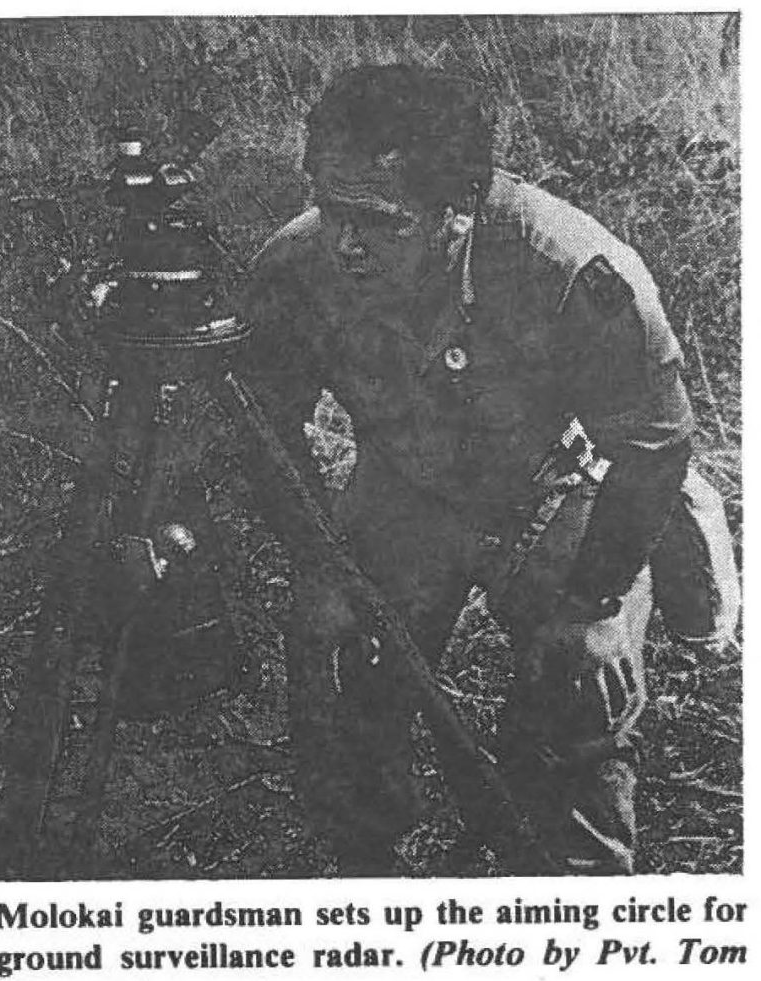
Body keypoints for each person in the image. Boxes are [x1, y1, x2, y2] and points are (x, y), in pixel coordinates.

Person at [239, 64, 737, 876]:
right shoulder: (295, 268)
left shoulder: (572, 269)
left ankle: (576, 903)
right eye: (330, 209)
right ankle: (366, 874)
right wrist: (322, 570)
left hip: (556, 484)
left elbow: (651, 443)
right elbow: (265, 427)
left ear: (459, 210)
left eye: (378, 221)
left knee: (579, 695)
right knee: (340, 669)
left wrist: (593, 605)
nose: (345, 243)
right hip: (405, 484)